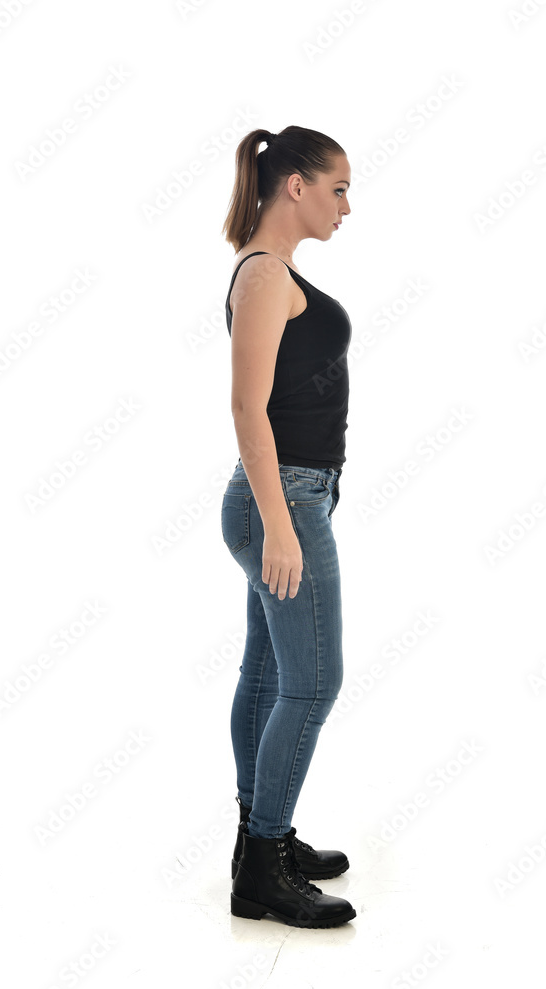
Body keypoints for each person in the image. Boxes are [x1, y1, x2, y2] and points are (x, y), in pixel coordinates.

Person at [219, 126, 355, 929]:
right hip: (284, 504)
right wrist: (279, 525)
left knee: (269, 678)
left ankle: (257, 839)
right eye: (337, 188)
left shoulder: (272, 273)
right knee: (312, 683)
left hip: (296, 497)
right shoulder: (266, 276)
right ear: (295, 186)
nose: (346, 205)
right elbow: (246, 407)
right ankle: (264, 865)